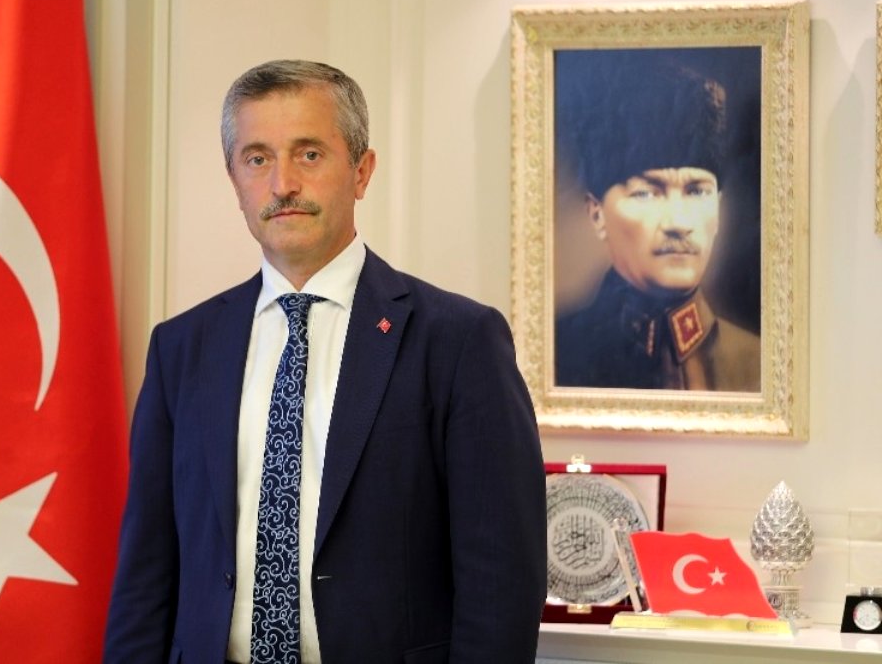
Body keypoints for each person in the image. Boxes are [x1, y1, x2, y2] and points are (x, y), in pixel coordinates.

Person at [104, 60, 547, 662]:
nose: (282, 183)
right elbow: (145, 571)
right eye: (257, 159)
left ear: (362, 172)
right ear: (234, 180)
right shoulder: (182, 348)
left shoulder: (459, 341)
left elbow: (502, 581)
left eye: (309, 154)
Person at [555, 54, 761, 392]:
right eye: (647, 194)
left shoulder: (760, 364)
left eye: (697, 191)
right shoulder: (557, 356)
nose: (678, 223)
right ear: (597, 214)